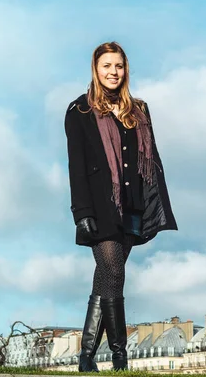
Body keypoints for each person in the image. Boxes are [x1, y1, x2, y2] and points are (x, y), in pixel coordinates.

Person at [64, 42, 177, 372]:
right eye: (106, 66)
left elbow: (149, 160)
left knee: (106, 280)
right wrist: (81, 213)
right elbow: (77, 167)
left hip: (132, 207)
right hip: (100, 207)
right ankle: (119, 357)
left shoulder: (139, 110)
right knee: (114, 272)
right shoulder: (80, 111)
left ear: (126, 70)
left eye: (119, 66)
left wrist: (152, 205)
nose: (113, 72)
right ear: (95, 70)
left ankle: (86, 356)